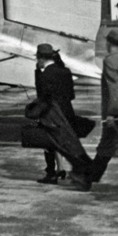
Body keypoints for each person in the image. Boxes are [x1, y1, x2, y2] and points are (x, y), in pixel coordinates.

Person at [34, 43, 78, 184]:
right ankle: (61, 169)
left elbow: (42, 97)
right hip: (66, 112)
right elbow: (71, 95)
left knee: (48, 145)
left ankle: (51, 174)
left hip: (51, 114)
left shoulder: (43, 75)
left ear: (41, 58)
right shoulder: (65, 71)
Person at [87, 30, 118, 186]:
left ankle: (89, 178)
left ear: (109, 43)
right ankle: (91, 177)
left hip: (117, 114)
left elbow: (114, 88)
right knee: (107, 146)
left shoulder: (110, 61)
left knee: (106, 145)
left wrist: (111, 113)